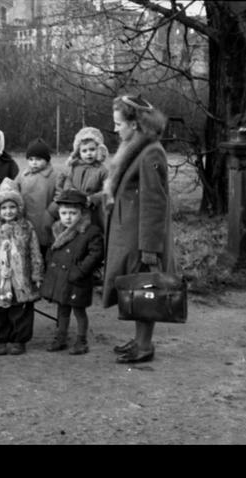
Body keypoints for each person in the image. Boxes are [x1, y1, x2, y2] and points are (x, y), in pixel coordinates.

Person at [103, 94, 174, 364]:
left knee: (145, 287)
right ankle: (139, 340)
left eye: (119, 123)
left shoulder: (151, 152)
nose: (115, 128)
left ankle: (144, 345)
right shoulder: (135, 148)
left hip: (141, 238)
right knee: (136, 287)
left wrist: (150, 247)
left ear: (135, 125)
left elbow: (155, 203)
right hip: (130, 233)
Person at [0, 178, 44, 355]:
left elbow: (35, 251)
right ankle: (0, 339)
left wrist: (37, 274)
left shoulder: (26, 227)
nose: (8, 211)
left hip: (21, 276)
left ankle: (18, 340)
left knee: (20, 308)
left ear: (19, 208)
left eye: (12, 207)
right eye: (4, 208)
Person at [40, 189, 104, 355]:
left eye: (73, 213)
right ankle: (61, 337)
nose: (68, 217)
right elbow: (51, 252)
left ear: (82, 213)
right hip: (61, 278)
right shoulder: (57, 230)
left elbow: (96, 254)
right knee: (62, 309)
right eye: (64, 213)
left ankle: (81, 340)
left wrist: (80, 270)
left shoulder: (90, 231)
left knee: (79, 311)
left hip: (77, 279)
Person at [54, 126, 109, 231]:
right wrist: (71, 192)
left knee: (92, 229)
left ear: (99, 150)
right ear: (78, 153)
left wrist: (93, 198)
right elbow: (69, 180)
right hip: (75, 205)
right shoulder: (75, 167)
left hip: (93, 208)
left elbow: (107, 189)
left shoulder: (102, 170)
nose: (88, 153)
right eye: (84, 151)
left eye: (92, 149)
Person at [14, 138, 58, 259]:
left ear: (47, 160)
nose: (34, 162)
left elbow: (60, 195)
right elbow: (14, 188)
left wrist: (50, 212)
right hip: (25, 216)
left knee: (42, 246)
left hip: (44, 218)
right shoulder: (23, 174)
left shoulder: (54, 176)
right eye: (31, 159)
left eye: (38, 159)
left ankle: (43, 271)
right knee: (26, 245)